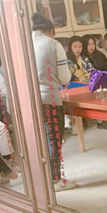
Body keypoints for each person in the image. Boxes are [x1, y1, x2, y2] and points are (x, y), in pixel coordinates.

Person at [31, 12, 77, 191]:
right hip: (48, 98)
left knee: (38, 141)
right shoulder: (53, 44)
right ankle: (55, 180)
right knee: (53, 140)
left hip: (28, 101)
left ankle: (42, 179)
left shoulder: (26, 43)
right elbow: (65, 78)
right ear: (51, 31)